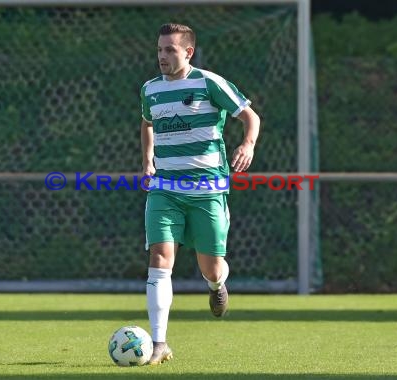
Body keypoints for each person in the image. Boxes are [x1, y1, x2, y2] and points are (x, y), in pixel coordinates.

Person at [139, 23, 260, 365]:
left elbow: (250, 116)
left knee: (211, 267)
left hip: (207, 191)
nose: (162, 56)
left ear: (188, 52)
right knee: (160, 259)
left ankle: (216, 285)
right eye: (160, 50)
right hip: (165, 190)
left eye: (170, 50)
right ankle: (159, 342)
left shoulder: (209, 82)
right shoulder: (149, 89)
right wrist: (147, 160)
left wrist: (247, 145)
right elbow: (147, 123)